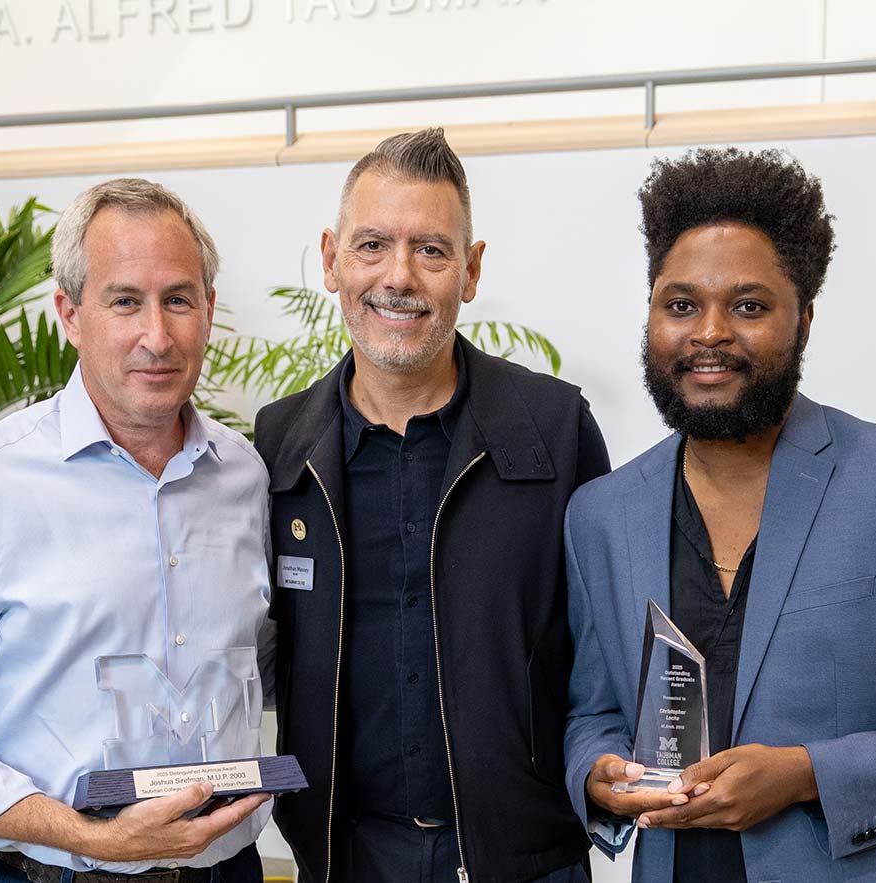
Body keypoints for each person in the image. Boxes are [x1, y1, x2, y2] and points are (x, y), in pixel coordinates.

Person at [563, 147, 876, 882]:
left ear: (806, 318)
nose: (710, 333)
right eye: (681, 304)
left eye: (749, 305)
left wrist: (805, 773)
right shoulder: (600, 515)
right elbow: (594, 711)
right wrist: (595, 772)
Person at [0, 178, 274, 883]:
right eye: (125, 301)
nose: (158, 334)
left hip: (226, 871)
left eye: (179, 299)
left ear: (208, 312)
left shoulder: (247, 477)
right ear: (70, 313)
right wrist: (92, 836)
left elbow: (265, 673)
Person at [253, 128, 610, 883]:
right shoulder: (279, 445)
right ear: (330, 259)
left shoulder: (555, 429)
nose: (399, 276)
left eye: (432, 251)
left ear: (471, 270)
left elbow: (603, 654)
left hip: (523, 862)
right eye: (372, 244)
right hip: (343, 858)